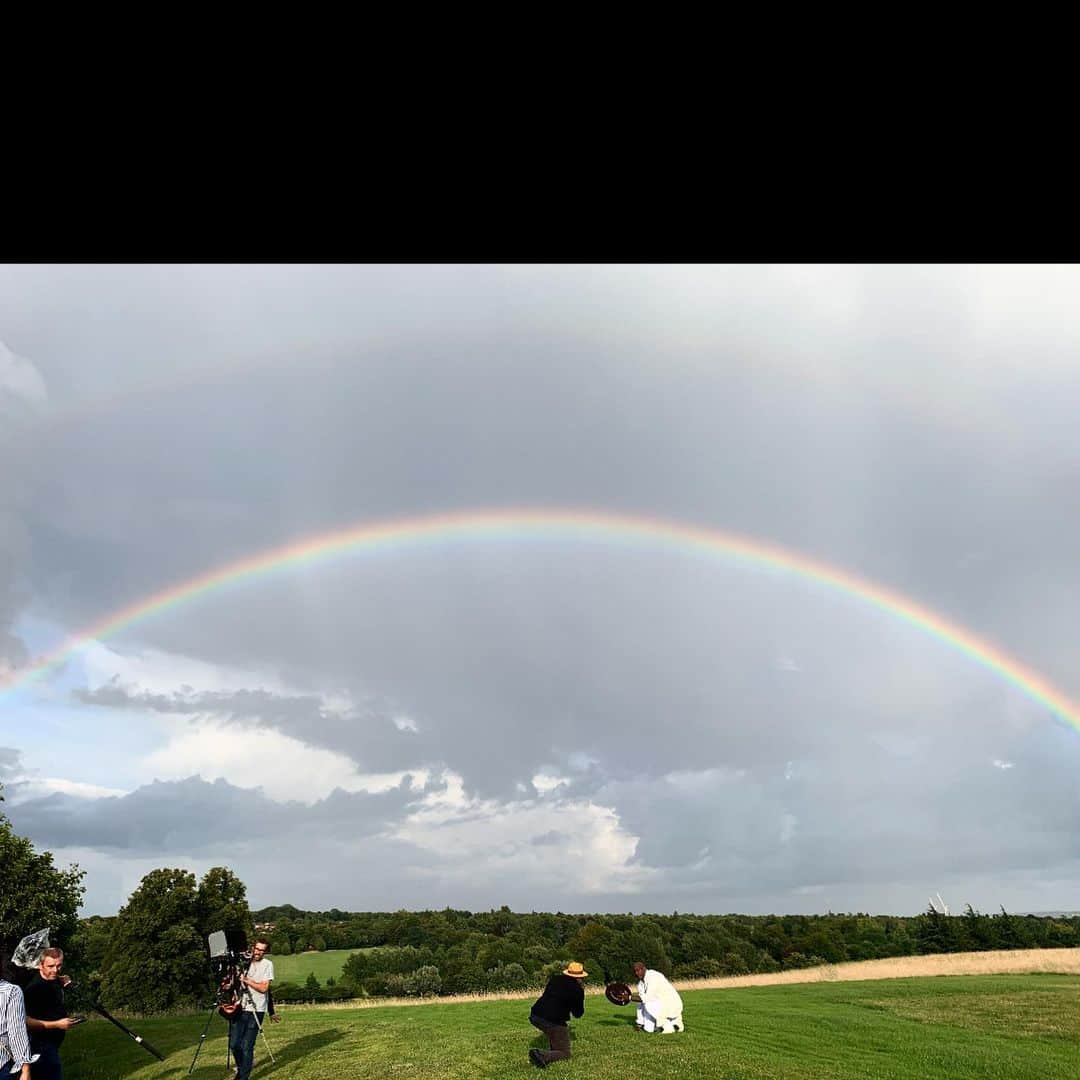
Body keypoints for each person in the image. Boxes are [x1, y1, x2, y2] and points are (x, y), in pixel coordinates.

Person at [23, 949, 78, 1079]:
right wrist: (58, 1024)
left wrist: (63, 981)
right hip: (39, 1045)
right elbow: (26, 1022)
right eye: (50, 966)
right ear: (40, 965)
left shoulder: (54, 980)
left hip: (53, 1044)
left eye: (59, 965)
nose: (55, 970)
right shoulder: (34, 989)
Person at [527, 961, 588, 1068]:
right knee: (565, 1053)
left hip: (535, 1014)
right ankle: (541, 1055)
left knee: (555, 1034)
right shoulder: (578, 990)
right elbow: (578, 1014)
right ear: (580, 977)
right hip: (552, 1020)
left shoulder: (555, 979)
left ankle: (552, 1051)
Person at [228, 939, 274, 1080]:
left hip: (257, 1009)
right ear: (252, 948)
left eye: (261, 950)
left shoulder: (268, 965)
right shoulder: (244, 963)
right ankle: (243, 1068)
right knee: (235, 1044)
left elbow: (264, 988)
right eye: (256, 948)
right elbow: (234, 983)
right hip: (240, 1007)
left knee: (247, 1046)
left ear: (265, 952)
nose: (258, 952)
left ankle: (243, 1077)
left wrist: (246, 980)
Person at [1, 965, 34, 1080]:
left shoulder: (10, 992)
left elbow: (17, 1033)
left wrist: (25, 1070)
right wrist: (26, 1070)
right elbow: (16, 1033)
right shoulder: (11, 992)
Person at [631, 961, 684, 1033]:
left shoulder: (653, 976)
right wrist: (640, 1023)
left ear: (644, 969)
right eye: (635, 971)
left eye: (638, 970)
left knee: (648, 1003)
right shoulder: (640, 984)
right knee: (648, 1029)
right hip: (660, 1003)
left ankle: (668, 1026)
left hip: (671, 1003)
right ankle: (673, 1023)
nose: (636, 973)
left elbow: (647, 998)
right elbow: (640, 1003)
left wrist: (629, 997)